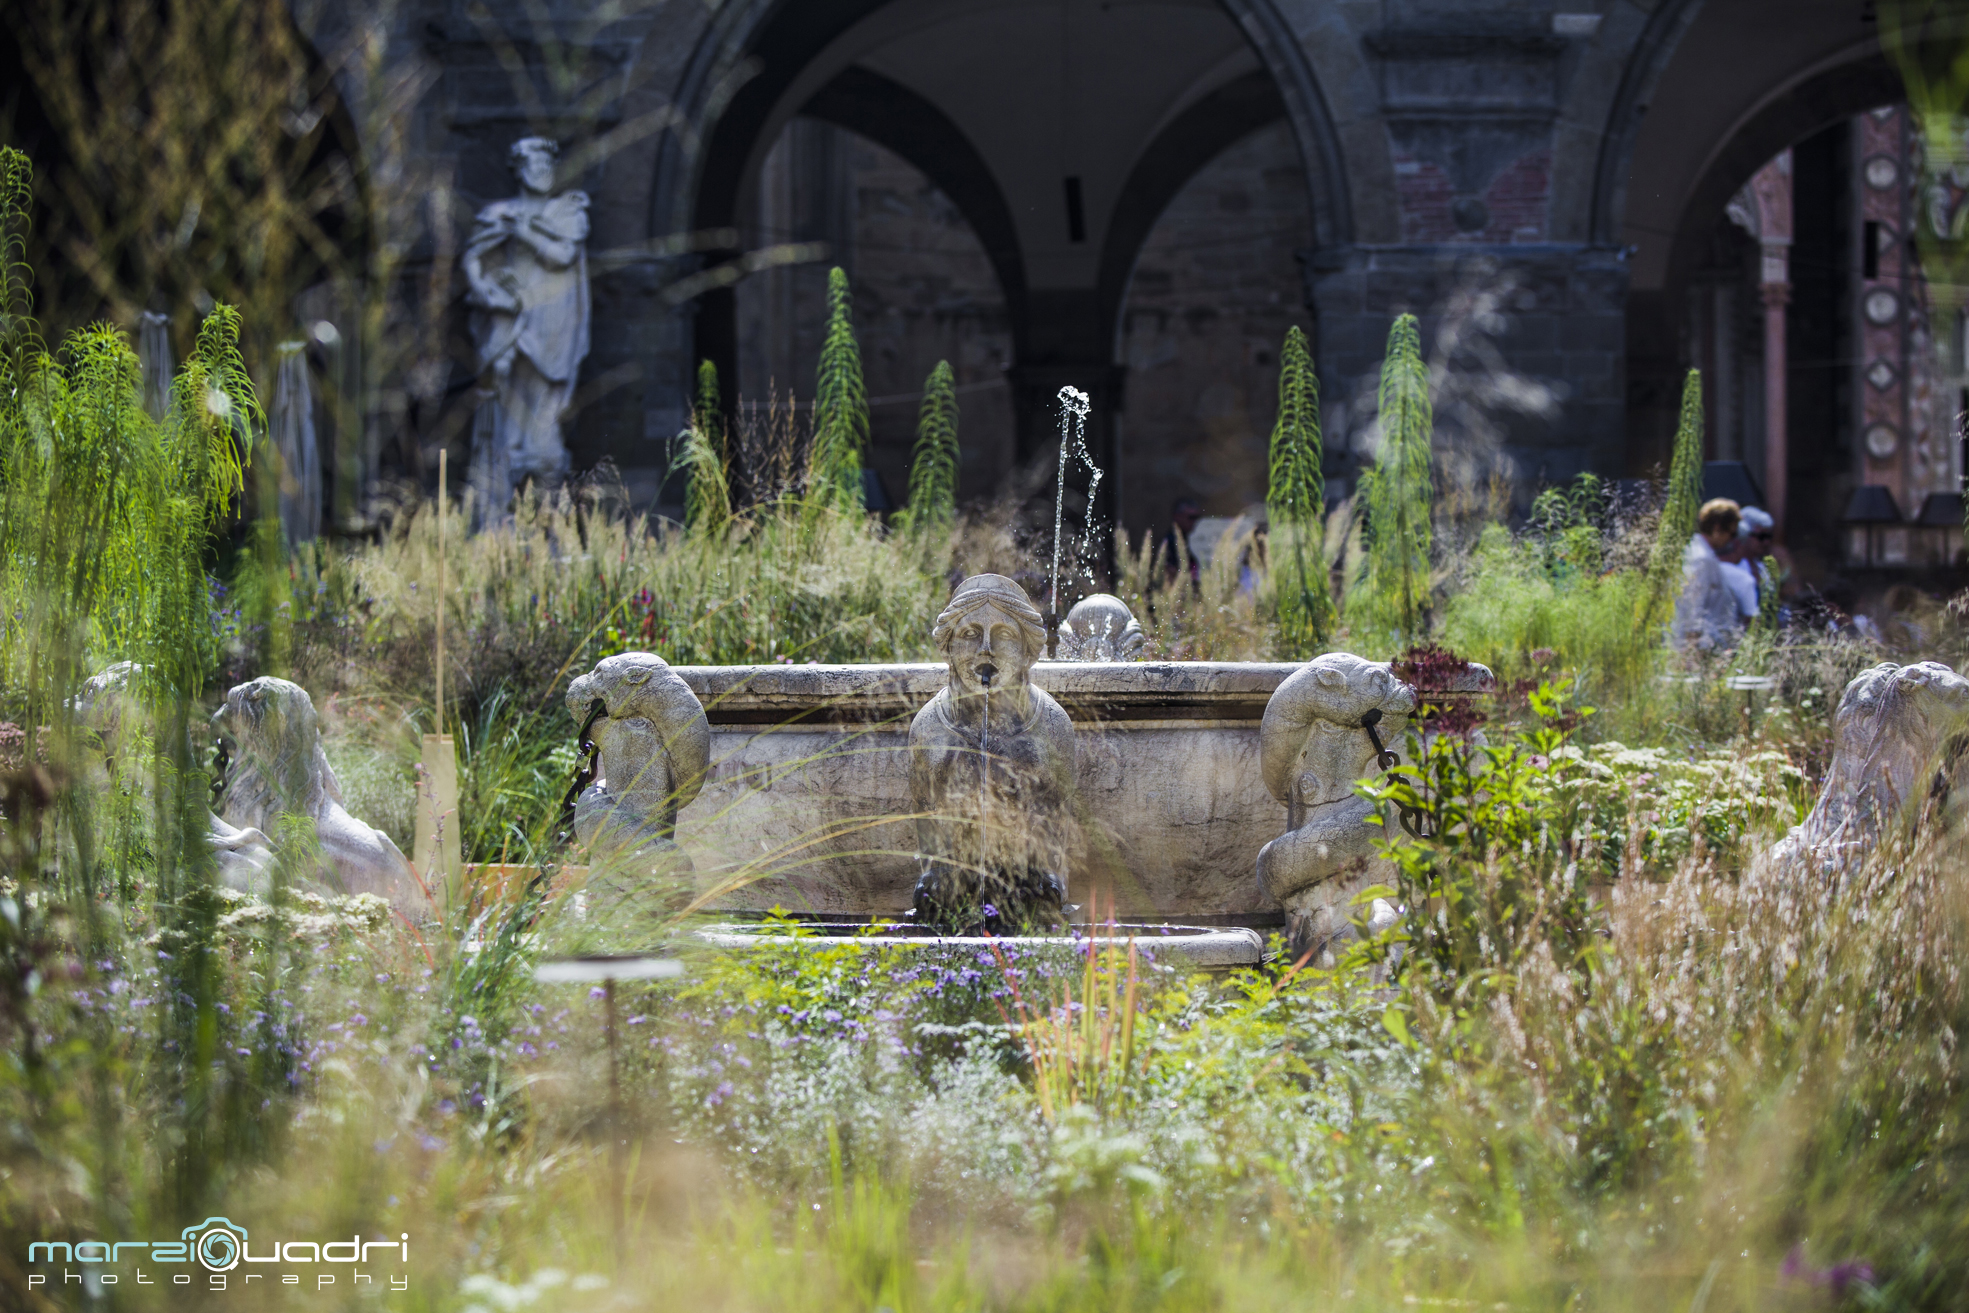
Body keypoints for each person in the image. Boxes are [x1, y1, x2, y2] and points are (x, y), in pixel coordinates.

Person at [463, 136, 592, 505]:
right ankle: (506, 457)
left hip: (552, 317)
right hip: (510, 312)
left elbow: (562, 255)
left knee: (545, 391)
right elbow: (474, 257)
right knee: (503, 383)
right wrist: (486, 291)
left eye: (547, 166)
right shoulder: (498, 213)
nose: (542, 173)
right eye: (534, 166)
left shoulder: (567, 213)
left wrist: (524, 231)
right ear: (518, 171)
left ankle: (541, 455)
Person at [1672, 498, 1744, 651]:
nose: (1732, 540)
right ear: (1717, 528)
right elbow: (1693, 607)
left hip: (1708, 646)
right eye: (1732, 533)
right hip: (1701, 648)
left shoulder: (1704, 555)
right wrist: (1691, 653)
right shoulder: (1701, 558)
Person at [1157, 498, 1203, 587]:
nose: (1195, 522)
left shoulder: (1197, 539)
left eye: (1198, 518)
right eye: (1191, 517)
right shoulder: (1170, 541)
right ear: (1177, 516)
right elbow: (1169, 572)